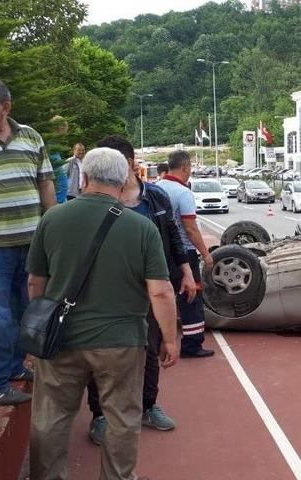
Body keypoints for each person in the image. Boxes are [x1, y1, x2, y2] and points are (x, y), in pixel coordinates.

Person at [27, 147, 178, 480]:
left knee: (51, 417)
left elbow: (36, 282)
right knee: (122, 417)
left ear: (83, 177)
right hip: (121, 342)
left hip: (60, 339)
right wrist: (169, 338)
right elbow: (160, 290)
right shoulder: (141, 228)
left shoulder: (53, 219)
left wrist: (39, 326)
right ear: (124, 180)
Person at [84, 135, 198, 445]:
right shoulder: (95, 199)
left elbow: (174, 235)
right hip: (107, 291)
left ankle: (148, 405)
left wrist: (186, 271)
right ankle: (100, 414)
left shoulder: (155, 197)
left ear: (131, 164)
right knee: (102, 353)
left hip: (150, 287)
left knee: (150, 348)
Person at [0, 76, 57, 406]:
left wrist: (53, 230)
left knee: (22, 309)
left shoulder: (30, 136)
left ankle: (14, 367)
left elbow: (45, 184)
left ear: (5, 107)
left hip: (30, 242)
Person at [156, 150, 216, 358]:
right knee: (191, 296)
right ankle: (192, 344)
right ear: (185, 167)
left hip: (160, 252)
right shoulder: (183, 193)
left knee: (160, 295)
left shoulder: (156, 188)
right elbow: (190, 228)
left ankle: (157, 341)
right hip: (183, 253)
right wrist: (205, 253)